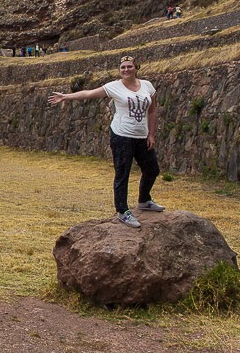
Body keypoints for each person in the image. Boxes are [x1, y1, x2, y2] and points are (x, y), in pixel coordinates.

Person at [47, 55, 164, 228]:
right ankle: (122, 211)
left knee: (152, 169)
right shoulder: (114, 86)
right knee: (122, 172)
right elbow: (89, 93)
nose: (126, 70)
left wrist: (151, 134)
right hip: (122, 135)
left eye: (129, 67)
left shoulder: (147, 86)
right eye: (123, 67)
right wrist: (66, 97)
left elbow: (152, 111)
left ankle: (144, 200)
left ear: (136, 68)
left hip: (141, 136)